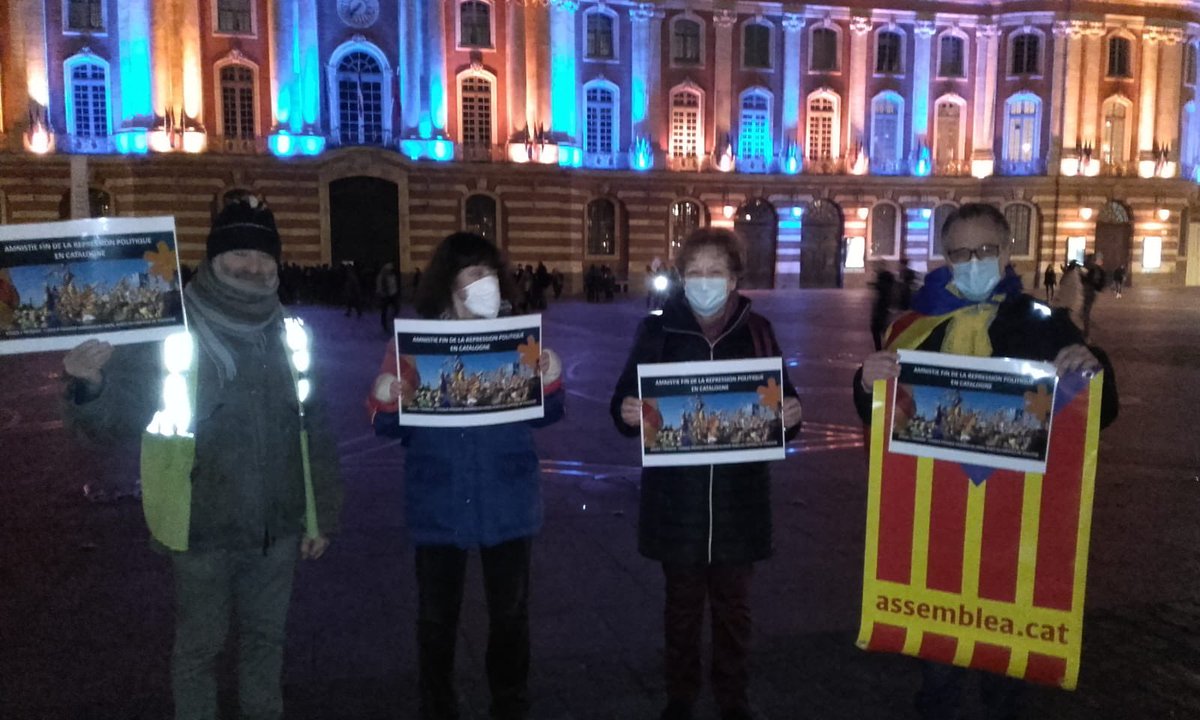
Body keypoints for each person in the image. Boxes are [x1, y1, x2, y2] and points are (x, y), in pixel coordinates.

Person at [62, 196, 343, 720]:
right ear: (213, 260)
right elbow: (113, 421)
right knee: (198, 652)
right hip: (200, 526)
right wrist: (90, 385)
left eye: (263, 257)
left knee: (266, 644)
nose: (252, 266)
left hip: (276, 529)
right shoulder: (169, 329)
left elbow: (316, 428)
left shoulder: (291, 333)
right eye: (238, 253)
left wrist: (320, 513)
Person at [854, 203, 1118, 720]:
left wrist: (1093, 366)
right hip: (936, 528)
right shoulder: (915, 327)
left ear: (1006, 253)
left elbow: (1097, 411)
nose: (972, 261)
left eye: (984, 251)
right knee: (937, 678)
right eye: (959, 253)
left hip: (1012, 533)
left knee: (1006, 681)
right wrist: (865, 383)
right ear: (945, 257)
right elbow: (881, 413)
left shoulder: (1044, 325)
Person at [367, 232, 565, 720]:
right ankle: (437, 702)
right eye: (474, 274)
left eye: (491, 273)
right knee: (436, 618)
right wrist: (383, 397)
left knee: (511, 615)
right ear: (448, 284)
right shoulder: (413, 344)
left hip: (508, 497)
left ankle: (510, 701)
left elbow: (544, 415)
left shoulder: (519, 338)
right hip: (439, 498)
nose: (487, 284)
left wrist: (553, 381)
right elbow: (388, 426)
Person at [610, 228, 803, 720]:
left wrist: (791, 416)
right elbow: (623, 401)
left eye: (715, 272)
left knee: (735, 609)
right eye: (694, 272)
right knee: (681, 607)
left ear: (735, 277)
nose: (704, 281)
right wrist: (627, 412)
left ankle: (732, 696)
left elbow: (784, 400)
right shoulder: (657, 331)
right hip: (678, 501)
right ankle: (681, 695)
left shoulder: (758, 330)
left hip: (740, 500)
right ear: (679, 278)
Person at [869, 266, 897, 351]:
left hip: (881, 315)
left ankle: (881, 349)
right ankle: (884, 348)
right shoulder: (889, 292)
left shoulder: (884, 294)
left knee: (879, 331)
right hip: (883, 314)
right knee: (883, 332)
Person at [1080, 253, 1106, 341]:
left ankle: (1086, 335)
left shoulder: (1092, 269)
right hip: (1089, 292)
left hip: (1089, 292)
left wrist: (1084, 277)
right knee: (1084, 313)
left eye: (1087, 259)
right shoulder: (1093, 269)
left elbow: (1090, 280)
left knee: (1085, 313)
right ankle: (1085, 333)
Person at [376, 262, 402, 335]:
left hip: (392, 295)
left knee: (396, 308)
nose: (390, 271)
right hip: (385, 296)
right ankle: (384, 324)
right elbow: (379, 286)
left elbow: (394, 285)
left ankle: (390, 319)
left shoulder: (392, 276)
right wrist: (381, 293)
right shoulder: (381, 277)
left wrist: (396, 292)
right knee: (384, 311)